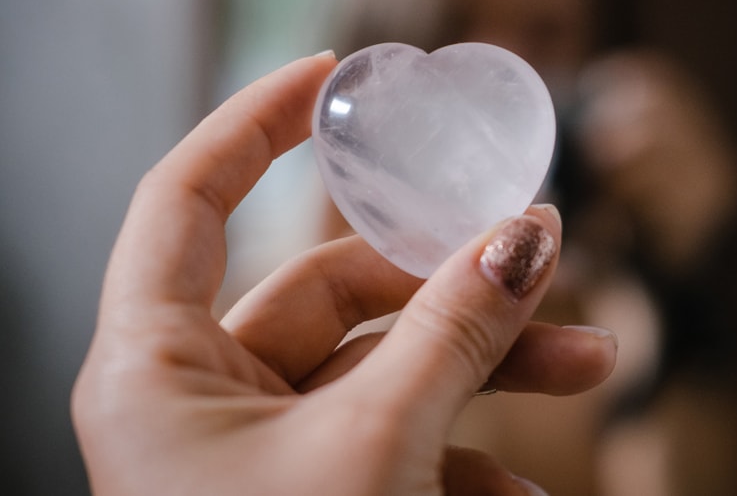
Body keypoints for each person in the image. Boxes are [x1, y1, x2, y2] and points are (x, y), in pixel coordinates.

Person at [70, 52, 619, 495]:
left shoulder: (619, 315)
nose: (464, 118)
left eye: (546, 31)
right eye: (454, 16)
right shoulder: (239, 321)